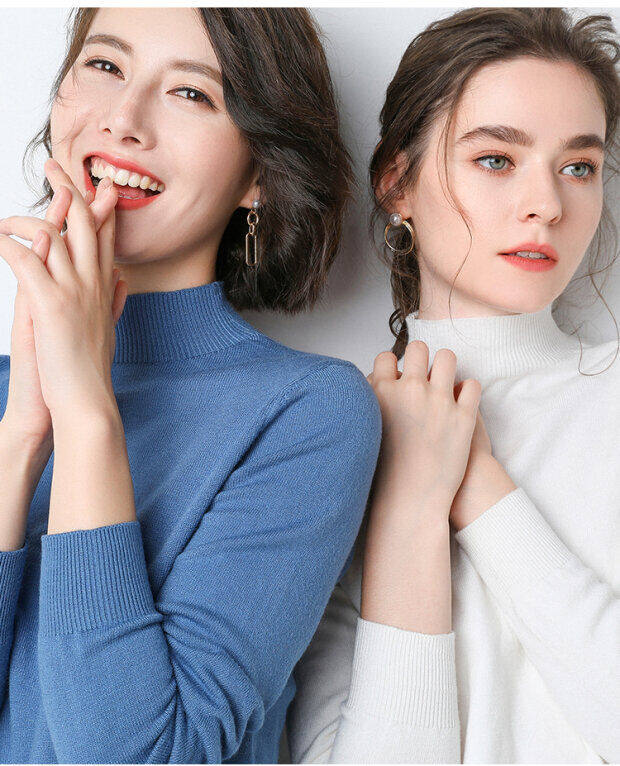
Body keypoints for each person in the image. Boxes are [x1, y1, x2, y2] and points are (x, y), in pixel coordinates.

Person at [0, 8, 381, 763]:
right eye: (105, 66)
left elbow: (135, 756)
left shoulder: (308, 413)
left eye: (191, 93)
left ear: (259, 175)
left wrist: (86, 413)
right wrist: (22, 436)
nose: (124, 120)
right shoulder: (11, 397)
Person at [287, 7, 620, 763]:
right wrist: (407, 506)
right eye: (496, 159)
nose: (547, 205)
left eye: (579, 166)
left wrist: (480, 489)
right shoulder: (332, 437)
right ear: (396, 183)